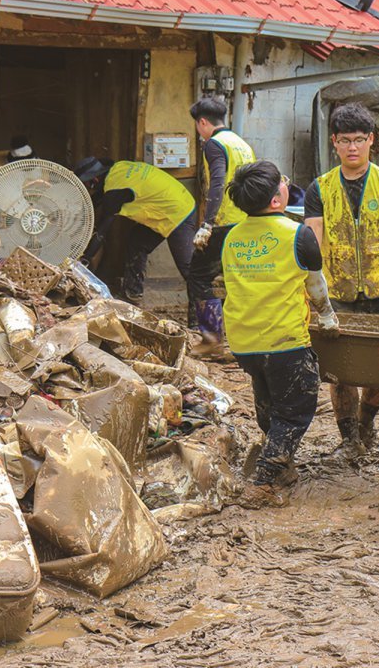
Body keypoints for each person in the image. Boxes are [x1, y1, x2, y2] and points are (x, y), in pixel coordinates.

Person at [304, 102, 379, 457]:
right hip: (336, 292)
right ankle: (349, 438)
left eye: (359, 139)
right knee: (339, 372)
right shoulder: (319, 189)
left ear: (372, 140)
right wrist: (315, 298)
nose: (352, 148)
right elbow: (312, 246)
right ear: (334, 144)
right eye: (344, 141)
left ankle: (367, 419)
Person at [222, 159, 339, 508]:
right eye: (283, 183)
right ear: (277, 200)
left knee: (269, 400)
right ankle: (263, 481)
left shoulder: (231, 237)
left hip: (243, 341)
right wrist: (328, 317)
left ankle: (283, 465)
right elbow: (316, 286)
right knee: (296, 408)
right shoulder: (298, 235)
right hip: (284, 339)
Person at [74, 157, 197, 312]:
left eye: (86, 185)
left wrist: (85, 258)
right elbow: (97, 199)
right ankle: (132, 294)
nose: (88, 189)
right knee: (137, 241)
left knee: (189, 269)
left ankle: (199, 319)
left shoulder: (114, 190)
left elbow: (102, 230)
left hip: (179, 212)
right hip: (173, 201)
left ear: (95, 180)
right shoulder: (118, 168)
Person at [186, 97, 256, 348]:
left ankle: (212, 337)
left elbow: (218, 182)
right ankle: (241, 339)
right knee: (236, 279)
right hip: (246, 222)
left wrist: (207, 224)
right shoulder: (242, 144)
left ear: (202, 122)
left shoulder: (214, 145)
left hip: (224, 222)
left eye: (197, 126)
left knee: (198, 276)